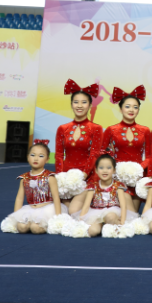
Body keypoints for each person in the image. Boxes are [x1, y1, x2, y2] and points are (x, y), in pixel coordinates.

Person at [101, 86, 151, 211]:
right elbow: (102, 153)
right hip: (118, 177)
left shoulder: (145, 130)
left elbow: (151, 156)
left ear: (138, 110)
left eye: (135, 107)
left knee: (133, 215)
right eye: (127, 106)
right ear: (121, 108)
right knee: (123, 213)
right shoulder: (111, 130)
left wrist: (138, 169)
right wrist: (115, 168)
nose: (131, 110)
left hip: (137, 177)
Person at [57, 80, 104, 214]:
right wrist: (61, 177)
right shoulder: (62, 128)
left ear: (90, 105)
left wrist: (83, 175)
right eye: (76, 102)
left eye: (84, 102)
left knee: (73, 211)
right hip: (66, 177)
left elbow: (94, 154)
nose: (79, 106)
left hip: (87, 177)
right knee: (62, 211)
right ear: (71, 104)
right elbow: (59, 155)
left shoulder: (96, 128)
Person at [1, 142, 66, 234]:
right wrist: (16, 216)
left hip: (47, 209)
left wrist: (58, 217)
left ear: (47, 159)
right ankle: (30, 222)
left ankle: (45, 225)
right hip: (30, 209)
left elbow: (56, 197)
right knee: (21, 228)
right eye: (33, 155)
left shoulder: (50, 177)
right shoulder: (24, 178)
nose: (36, 159)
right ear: (28, 157)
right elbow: (19, 198)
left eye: (41, 156)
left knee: (35, 228)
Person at [74, 155, 138, 237]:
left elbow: (123, 206)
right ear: (96, 170)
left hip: (112, 212)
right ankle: (102, 226)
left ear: (114, 170)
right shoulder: (92, 186)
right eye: (101, 168)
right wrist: (81, 222)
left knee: (110, 217)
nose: (105, 171)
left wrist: (122, 223)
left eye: (108, 168)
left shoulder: (118, 186)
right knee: (93, 231)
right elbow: (86, 206)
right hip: (96, 212)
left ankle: (114, 224)